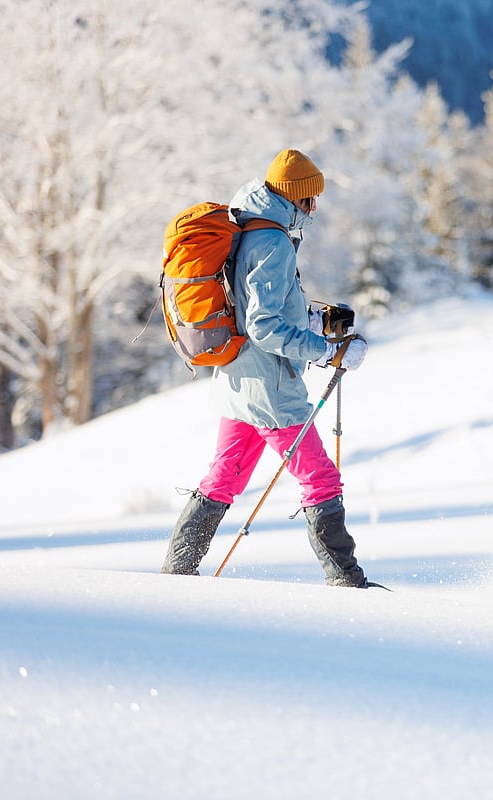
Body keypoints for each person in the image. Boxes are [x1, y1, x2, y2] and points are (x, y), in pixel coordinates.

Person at [161, 149, 374, 587]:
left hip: (237, 381)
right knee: (321, 480)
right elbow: (263, 326)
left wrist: (316, 320)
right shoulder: (273, 241)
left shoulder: (247, 227)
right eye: (310, 200)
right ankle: (347, 580)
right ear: (296, 198)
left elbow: (252, 311)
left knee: (223, 477)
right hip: (270, 388)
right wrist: (327, 351)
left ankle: (176, 573)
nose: (313, 209)